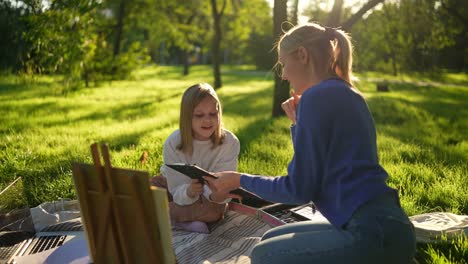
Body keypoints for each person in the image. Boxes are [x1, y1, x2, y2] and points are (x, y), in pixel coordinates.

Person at [204, 23, 416, 263]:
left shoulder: (316, 97)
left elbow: (298, 189)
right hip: (386, 226)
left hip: (371, 234)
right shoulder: (345, 91)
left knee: (264, 255)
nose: (283, 75)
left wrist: (238, 179)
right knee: (268, 238)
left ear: (302, 55)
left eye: (284, 64)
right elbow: (316, 169)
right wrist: (298, 122)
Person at [150, 83, 240, 234]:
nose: (207, 120)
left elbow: (222, 188)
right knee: (142, 191)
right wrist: (189, 192)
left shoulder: (229, 142)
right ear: (187, 117)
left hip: (208, 197)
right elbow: (175, 186)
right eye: (199, 115)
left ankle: (164, 217)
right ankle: (182, 221)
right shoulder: (173, 143)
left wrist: (211, 194)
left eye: (213, 114)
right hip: (174, 187)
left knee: (214, 211)